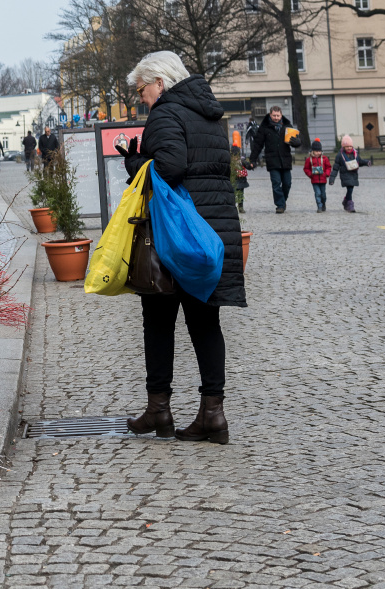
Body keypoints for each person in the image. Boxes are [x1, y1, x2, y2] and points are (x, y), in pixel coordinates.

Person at [118, 51, 246, 445]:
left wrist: (137, 161)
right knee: (206, 322)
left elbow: (169, 168)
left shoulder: (166, 114)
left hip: (177, 238)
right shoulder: (210, 114)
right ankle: (213, 414)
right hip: (214, 231)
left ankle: (159, 409)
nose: (141, 97)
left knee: (157, 319)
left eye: (142, 89)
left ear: (159, 82)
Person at [249, 106, 303, 213]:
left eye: (278, 116)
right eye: (274, 115)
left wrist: (298, 143)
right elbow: (258, 145)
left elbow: (295, 141)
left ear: (281, 115)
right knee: (276, 183)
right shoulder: (264, 128)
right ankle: (280, 205)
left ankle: (282, 201)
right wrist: (252, 160)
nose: (276, 118)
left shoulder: (287, 126)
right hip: (272, 160)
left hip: (285, 160)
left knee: (287, 183)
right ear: (270, 115)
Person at [330, 135, 370, 213]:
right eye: (347, 146)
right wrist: (332, 179)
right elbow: (335, 168)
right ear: (343, 147)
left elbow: (359, 162)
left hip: (353, 174)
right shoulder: (340, 156)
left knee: (350, 189)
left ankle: (346, 201)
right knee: (350, 189)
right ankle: (350, 205)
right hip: (345, 175)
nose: (349, 148)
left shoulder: (355, 154)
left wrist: (366, 162)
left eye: (350, 146)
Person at [302, 139, 332, 212]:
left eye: (319, 151)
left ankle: (323, 203)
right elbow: (306, 169)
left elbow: (328, 167)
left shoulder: (324, 159)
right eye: (316, 151)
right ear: (313, 151)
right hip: (314, 180)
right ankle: (319, 206)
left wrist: (326, 174)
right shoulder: (309, 160)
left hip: (323, 179)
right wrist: (310, 174)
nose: (318, 153)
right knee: (317, 193)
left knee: (323, 194)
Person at [230, 145, 250, 214]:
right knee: (233, 194)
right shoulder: (230, 162)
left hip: (241, 181)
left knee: (240, 195)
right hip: (233, 181)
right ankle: (233, 207)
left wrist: (250, 165)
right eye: (234, 156)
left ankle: (240, 207)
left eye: (237, 156)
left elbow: (247, 165)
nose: (235, 158)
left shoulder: (241, 161)